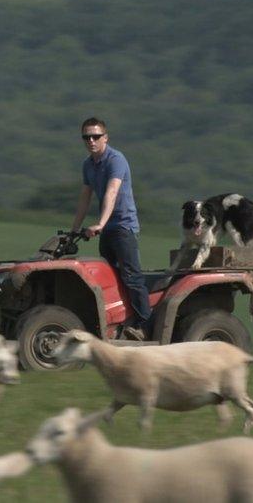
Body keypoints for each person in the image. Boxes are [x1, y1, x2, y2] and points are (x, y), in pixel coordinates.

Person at [70, 117, 151, 340]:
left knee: (131, 277)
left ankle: (145, 325)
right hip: (107, 228)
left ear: (105, 137)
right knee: (111, 278)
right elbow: (85, 198)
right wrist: (74, 229)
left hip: (123, 226)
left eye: (96, 136)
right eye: (86, 137)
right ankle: (120, 322)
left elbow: (111, 193)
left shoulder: (116, 160)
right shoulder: (88, 165)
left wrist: (101, 224)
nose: (91, 141)